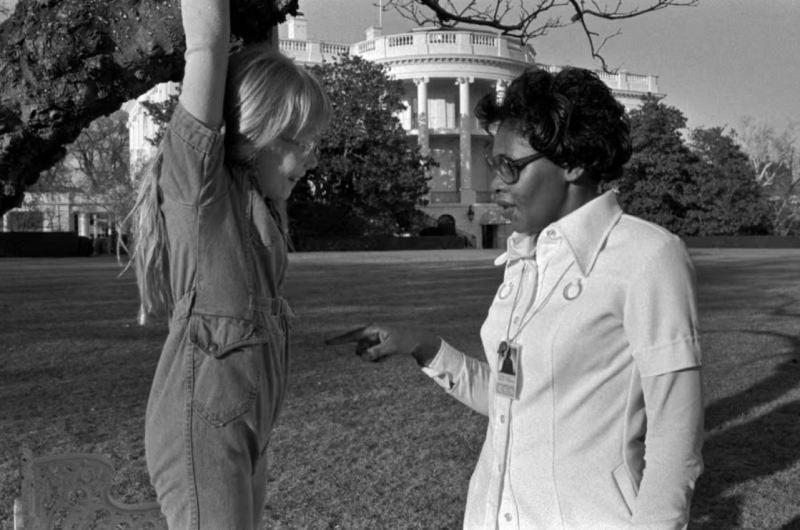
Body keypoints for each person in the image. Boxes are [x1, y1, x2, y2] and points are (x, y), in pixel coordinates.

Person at [327, 67, 703, 529]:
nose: (497, 182)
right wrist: (423, 346)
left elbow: (676, 435)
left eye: (511, 166)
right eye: (493, 164)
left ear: (573, 163)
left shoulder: (647, 257)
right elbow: (512, 401)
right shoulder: (524, 258)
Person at [123, 0, 331, 526]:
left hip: (245, 430)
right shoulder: (203, 195)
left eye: (314, 144)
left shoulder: (259, 209)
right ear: (254, 133)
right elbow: (208, 48)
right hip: (201, 434)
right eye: (296, 141)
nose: (309, 157)